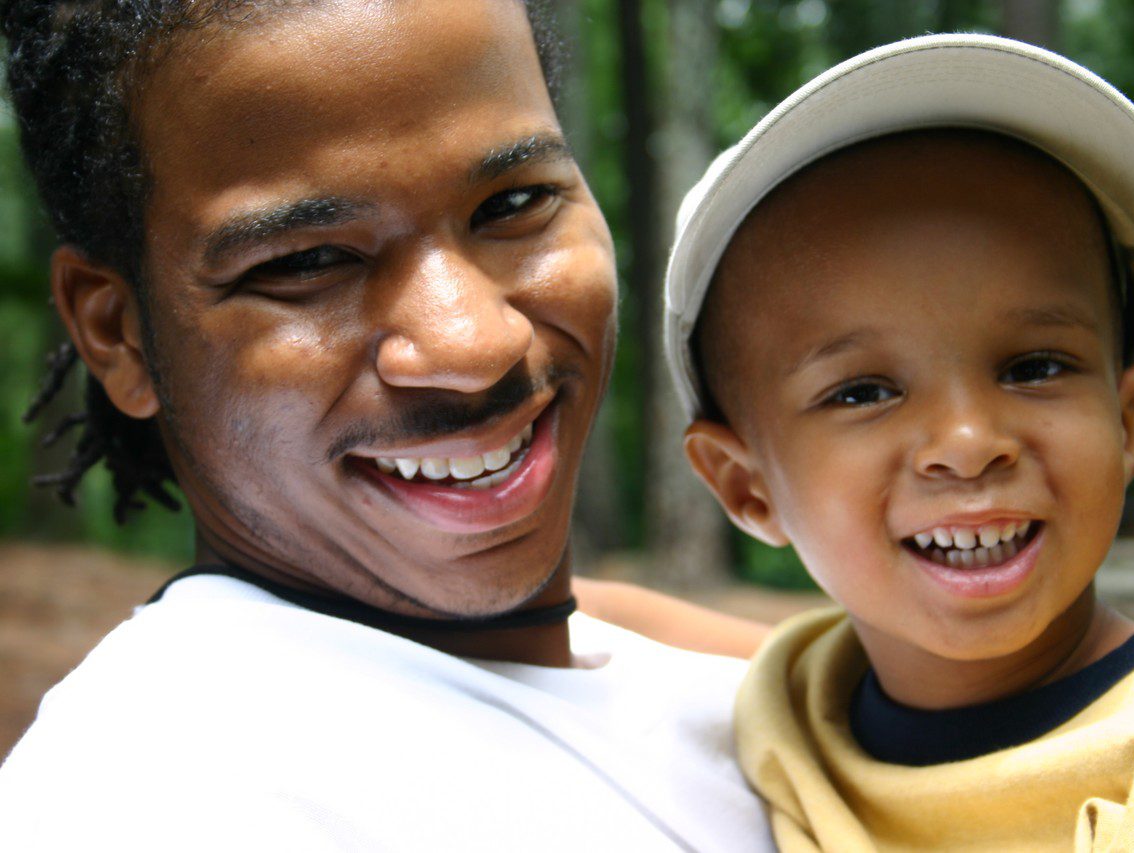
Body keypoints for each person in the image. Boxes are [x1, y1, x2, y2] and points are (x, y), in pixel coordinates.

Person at [0, 1, 772, 849]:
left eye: (514, 202)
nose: (474, 341)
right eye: (306, 262)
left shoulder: (631, 653)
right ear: (118, 332)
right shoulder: (156, 796)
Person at [664, 33, 1134, 850]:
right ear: (746, 486)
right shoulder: (802, 691)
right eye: (863, 391)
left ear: (1127, 420)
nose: (967, 440)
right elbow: (621, 620)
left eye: (1033, 366)